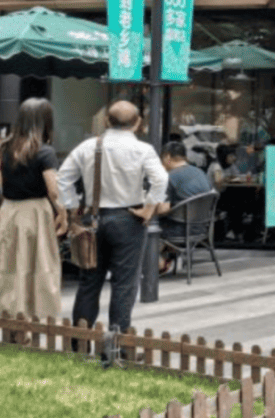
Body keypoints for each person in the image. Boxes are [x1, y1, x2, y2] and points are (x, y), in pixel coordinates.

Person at [57, 100, 169, 336]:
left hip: (92, 218)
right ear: (138, 123)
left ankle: (80, 341)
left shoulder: (87, 146)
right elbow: (160, 179)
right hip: (129, 219)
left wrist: (74, 208)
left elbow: (63, 177)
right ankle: (115, 345)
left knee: (89, 282)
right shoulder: (143, 149)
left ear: (107, 121)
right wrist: (149, 208)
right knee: (124, 284)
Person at [0, 98, 67, 324]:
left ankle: (11, 320)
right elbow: (54, 191)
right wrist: (63, 214)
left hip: (8, 210)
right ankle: (32, 321)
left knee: (10, 268)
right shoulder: (44, 151)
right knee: (39, 267)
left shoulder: (4, 147)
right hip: (36, 212)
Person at [157, 141, 213, 274]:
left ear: (167, 157)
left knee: (144, 226)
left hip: (178, 230)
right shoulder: (200, 173)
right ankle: (172, 257)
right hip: (201, 228)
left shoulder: (170, 177)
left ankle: (161, 264)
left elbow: (162, 210)